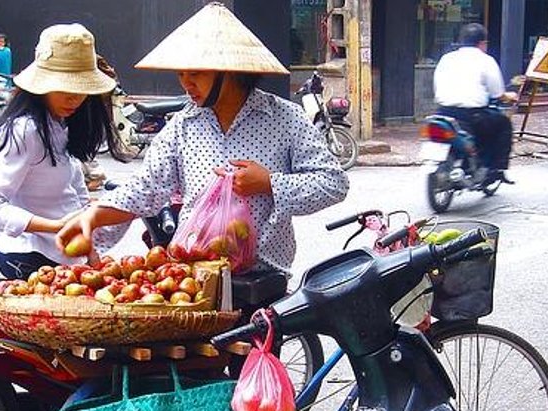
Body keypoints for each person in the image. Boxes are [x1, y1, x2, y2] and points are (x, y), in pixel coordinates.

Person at [55, 2, 349, 275]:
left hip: (262, 276)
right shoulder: (183, 124)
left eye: (195, 73)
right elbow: (147, 187)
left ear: (229, 71)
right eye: (181, 74)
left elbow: (333, 183)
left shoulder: (285, 118)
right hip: (194, 273)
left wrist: (269, 184)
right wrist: (93, 216)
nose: (185, 84)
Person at [0, 24, 128, 280]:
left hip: (67, 258)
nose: (75, 99)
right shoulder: (25, 130)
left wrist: (88, 247)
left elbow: (75, 190)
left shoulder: (59, 123)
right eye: (65, 88)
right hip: (30, 257)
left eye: (81, 89)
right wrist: (55, 227)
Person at [433, 23, 517, 184]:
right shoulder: (485, 60)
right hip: (471, 116)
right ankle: (497, 169)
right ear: (482, 43)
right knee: (503, 123)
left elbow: (436, 87)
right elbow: (497, 93)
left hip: (442, 112)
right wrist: (509, 96)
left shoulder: (446, 58)